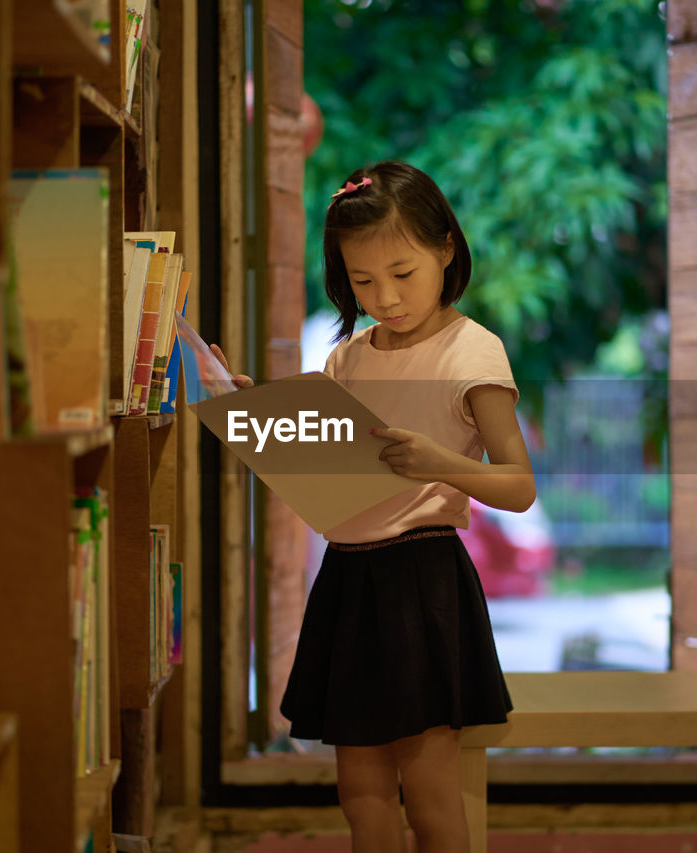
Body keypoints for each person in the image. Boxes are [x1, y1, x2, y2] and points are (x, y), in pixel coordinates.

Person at [211, 160, 535, 852]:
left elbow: (519, 484)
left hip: (423, 581)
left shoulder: (473, 351)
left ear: (447, 247)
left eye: (402, 273)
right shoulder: (348, 359)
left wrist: (440, 462)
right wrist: (262, 415)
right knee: (359, 793)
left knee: (428, 790)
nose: (384, 297)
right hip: (350, 578)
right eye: (362, 281)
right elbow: (333, 464)